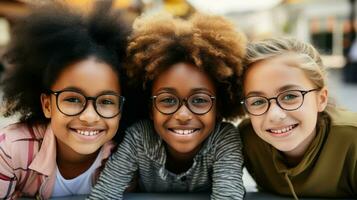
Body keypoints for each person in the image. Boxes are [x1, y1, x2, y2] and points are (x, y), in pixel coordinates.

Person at [88, 13, 247, 200]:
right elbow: (104, 194)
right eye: (168, 100)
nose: (183, 115)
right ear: (150, 108)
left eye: (199, 100)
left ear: (218, 108)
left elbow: (228, 196)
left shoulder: (223, 140)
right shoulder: (140, 138)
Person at [0, 1, 130, 199]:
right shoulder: (10, 150)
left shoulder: (130, 156)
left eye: (106, 102)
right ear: (47, 105)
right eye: (72, 99)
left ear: (120, 109)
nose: (89, 116)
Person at [239, 37, 357, 199]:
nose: (275, 115)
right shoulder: (247, 140)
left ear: (321, 99)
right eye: (258, 101)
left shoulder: (353, 139)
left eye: (289, 96)